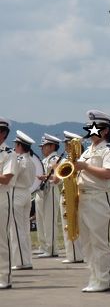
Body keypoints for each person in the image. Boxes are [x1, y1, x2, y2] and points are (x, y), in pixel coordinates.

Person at [75, 110, 110, 292]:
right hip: (84, 198)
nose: (91, 131)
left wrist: (85, 166)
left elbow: (108, 173)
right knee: (87, 242)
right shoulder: (87, 151)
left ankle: (103, 281)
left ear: (104, 131)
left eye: (95, 128)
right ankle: (94, 278)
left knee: (100, 242)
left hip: (100, 198)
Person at [10, 130, 37, 271]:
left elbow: (11, 176)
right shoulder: (31, 161)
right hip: (26, 193)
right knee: (24, 229)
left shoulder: (19, 160)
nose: (14, 147)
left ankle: (21, 261)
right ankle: (26, 259)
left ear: (20, 145)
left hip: (17, 193)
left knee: (16, 229)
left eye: (16, 144)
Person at [57, 131, 84, 263]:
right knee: (67, 225)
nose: (66, 147)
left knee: (72, 223)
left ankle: (75, 255)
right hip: (65, 193)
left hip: (73, 193)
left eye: (67, 144)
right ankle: (72, 254)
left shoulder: (81, 159)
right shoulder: (65, 160)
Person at [34, 134, 62, 258]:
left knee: (49, 221)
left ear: (52, 146)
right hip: (40, 192)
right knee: (40, 221)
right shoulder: (44, 160)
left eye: (44, 146)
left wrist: (46, 177)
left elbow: (58, 178)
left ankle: (51, 249)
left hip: (50, 191)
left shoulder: (56, 159)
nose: (42, 148)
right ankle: (43, 246)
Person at [0, 117, 17, 289]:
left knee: (1, 238)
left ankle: (4, 277)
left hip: (1, 198)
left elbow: (6, 178)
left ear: (3, 134)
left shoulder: (9, 154)